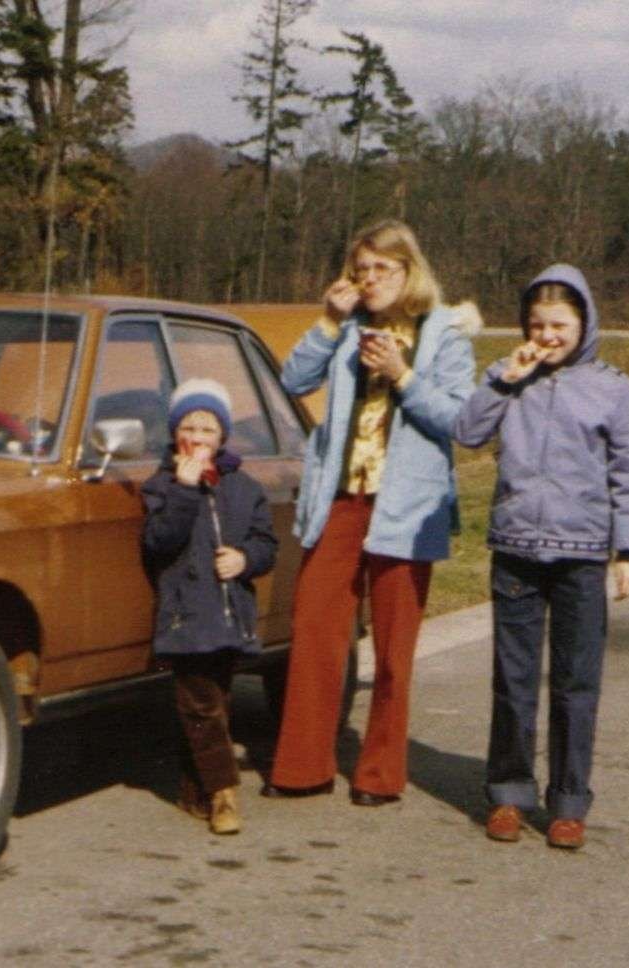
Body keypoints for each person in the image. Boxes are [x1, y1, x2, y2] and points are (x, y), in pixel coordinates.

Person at [265, 219, 478, 805]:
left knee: (392, 649)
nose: (369, 279)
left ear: (409, 271)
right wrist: (330, 322)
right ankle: (302, 766)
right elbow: (292, 379)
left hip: (406, 507)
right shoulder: (349, 326)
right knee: (314, 632)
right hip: (339, 498)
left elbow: (460, 422)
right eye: (360, 269)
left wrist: (403, 376)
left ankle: (381, 774)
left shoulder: (445, 334)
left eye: (382, 268)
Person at [454, 264, 629, 850]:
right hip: (516, 550)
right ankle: (509, 792)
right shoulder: (509, 374)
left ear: (584, 323)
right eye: (536, 323)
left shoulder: (612, 387)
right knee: (512, 681)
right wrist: (505, 380)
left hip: (583, 555)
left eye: (559, 324)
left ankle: (568, 801)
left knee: (575, 683)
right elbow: (465, 432)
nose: (547, 336)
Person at [142, 378, 277, 835]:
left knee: (211, 702)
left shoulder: (244, 486)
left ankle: (193, 789)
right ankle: (224, 794)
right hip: (187, 612)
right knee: (201, 704)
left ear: (222, 438)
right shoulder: (161, 484)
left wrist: (246, 559)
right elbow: (160, 541)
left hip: (229, 610)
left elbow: (266, 543)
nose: (198, 439)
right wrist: (182, 489)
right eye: (189, 428)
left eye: (208, 430)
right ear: (175, 434)